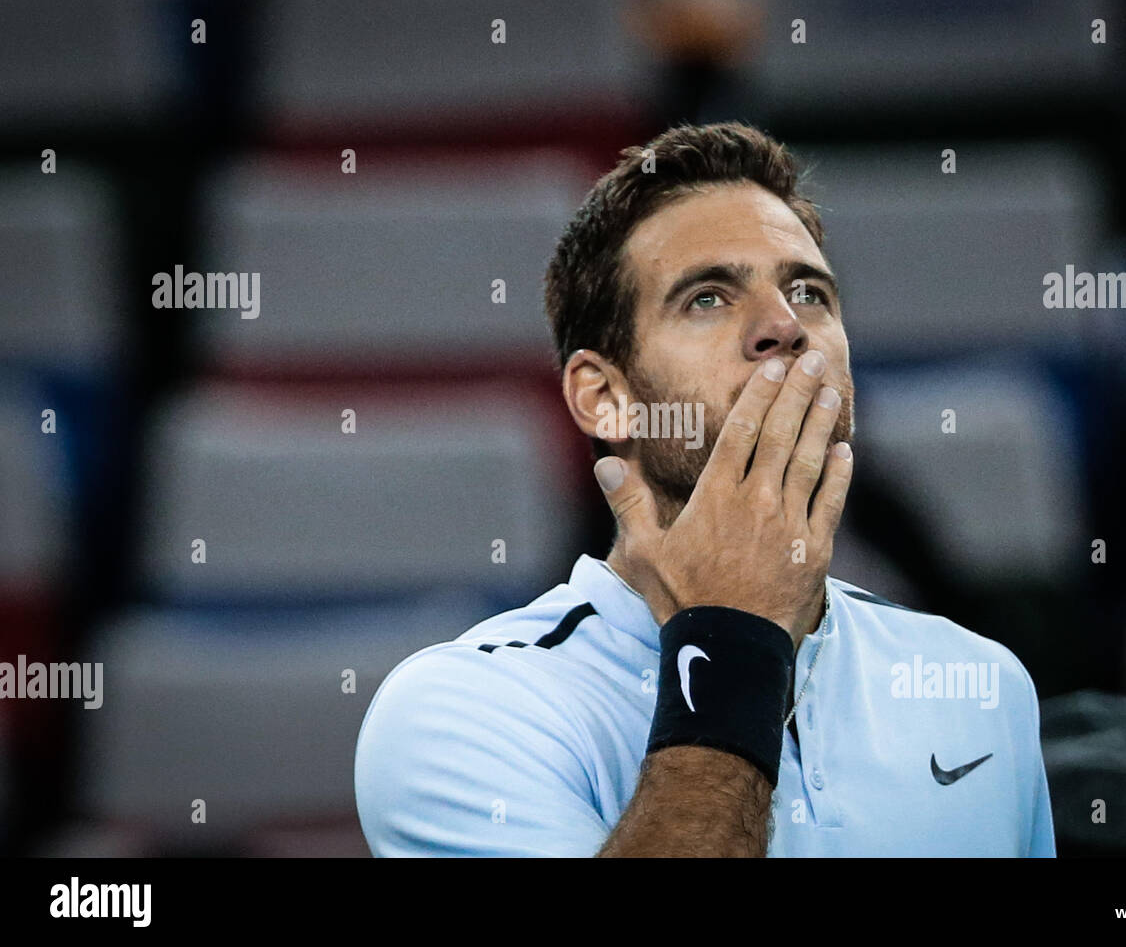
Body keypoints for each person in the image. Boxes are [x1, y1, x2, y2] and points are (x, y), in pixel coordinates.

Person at [354, 122, 1055, 856]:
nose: (784, 327)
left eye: (809, 292)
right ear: (604, 397)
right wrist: (733, 636)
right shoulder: (462, 712)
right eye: (708, 298)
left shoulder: (978, 683)